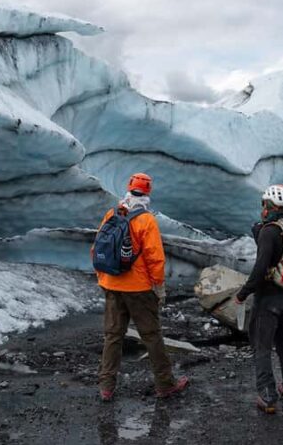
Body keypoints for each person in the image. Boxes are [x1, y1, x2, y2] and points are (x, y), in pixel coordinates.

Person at [94, 172, 189, 401]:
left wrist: (103, 278)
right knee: (151, 335)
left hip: (112, 284)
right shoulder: (146, 220)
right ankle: (166, 384)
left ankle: (106, 387)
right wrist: (159, 286)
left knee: (113, 336)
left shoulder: (112, 213)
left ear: (128, 188)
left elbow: (97, 248)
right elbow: (155, 258)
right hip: (138, 289)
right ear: (148, 192)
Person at [235, 184, 283, 414]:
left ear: (270, 205)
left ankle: (267, 395)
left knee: (261, 347)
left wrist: (244, 292)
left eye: (264, 203)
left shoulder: (270, 231)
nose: (262, 207)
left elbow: (261, 266)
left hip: (268, 299)